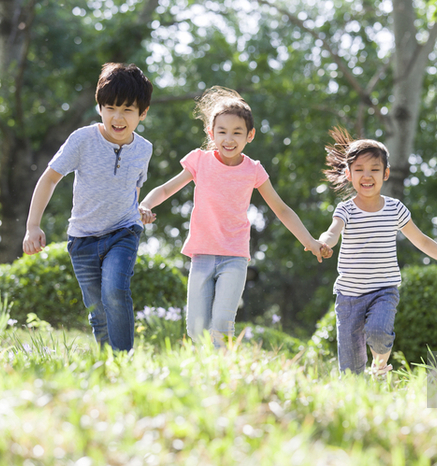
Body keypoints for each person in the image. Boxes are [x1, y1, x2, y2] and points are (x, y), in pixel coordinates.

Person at [138, 86, 325, 348]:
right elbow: (167, 188)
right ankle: (205, 371)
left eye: (237, 132)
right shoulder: (200, 161)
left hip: (234, 257)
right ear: (210, 133)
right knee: (196, 328)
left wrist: (309, 240)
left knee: (221, 325)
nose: (229, 138)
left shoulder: (253, 170)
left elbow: (281, 209)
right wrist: (144, 204)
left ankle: (222, 374)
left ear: (250, 135)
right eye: (222, 131)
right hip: (202, 255)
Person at [318, 127, 437, 376]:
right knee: (351, 371)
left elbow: (422, 241)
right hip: (349, 297)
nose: (367, 175)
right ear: (348, 174)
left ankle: (381, 365)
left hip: (384, 290)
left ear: (385, 174)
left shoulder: (394, 208)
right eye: (360, 170)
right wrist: (323, 243)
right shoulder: (346, 209)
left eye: (374, 169)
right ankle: (363, 397)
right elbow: (333, 231)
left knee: (379, 332)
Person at [22, 63, 154, 352]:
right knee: (98, 311)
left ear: (142, 113)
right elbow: (49, 179)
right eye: (110, 108)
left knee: (116, 292)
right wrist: (33, 226)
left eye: (128, 110)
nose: (117, 117)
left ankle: (124, 360)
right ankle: (109, 363)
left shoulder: (144, 149)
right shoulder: (83, 140)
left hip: (123, 232)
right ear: (100, 107)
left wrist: (138, 208)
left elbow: (133, 186)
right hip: (82, 239)